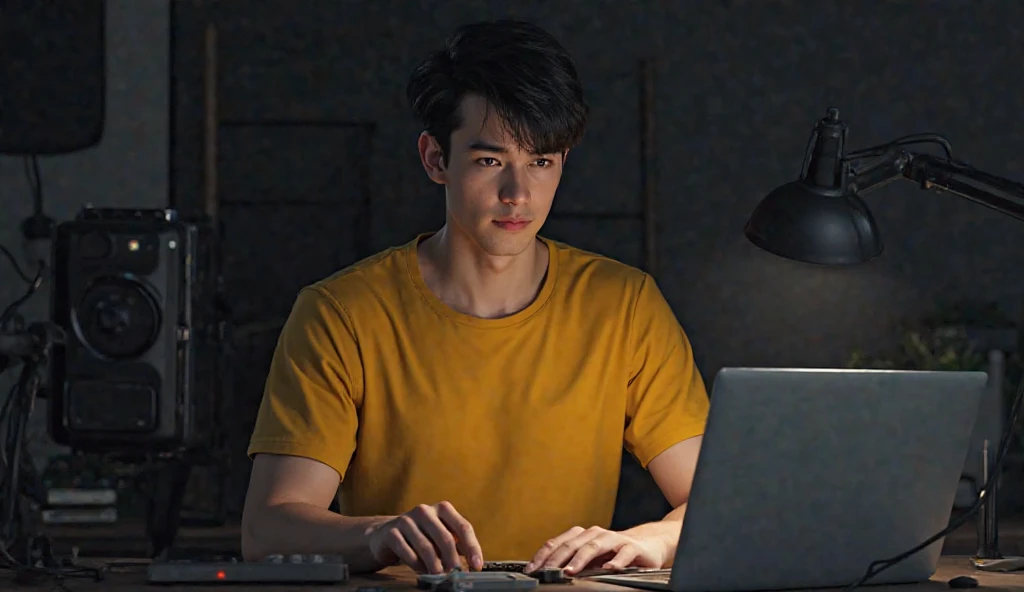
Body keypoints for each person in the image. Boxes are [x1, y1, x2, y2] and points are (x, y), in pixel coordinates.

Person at [240, 19, 709, 577]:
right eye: (491, 161)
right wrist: (379, 533)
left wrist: (655, 539)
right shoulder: (341, 313)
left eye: (542, 162)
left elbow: (716, 505)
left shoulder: (624, 305)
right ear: (436, 159)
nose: (518, 194)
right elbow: (268, 529)